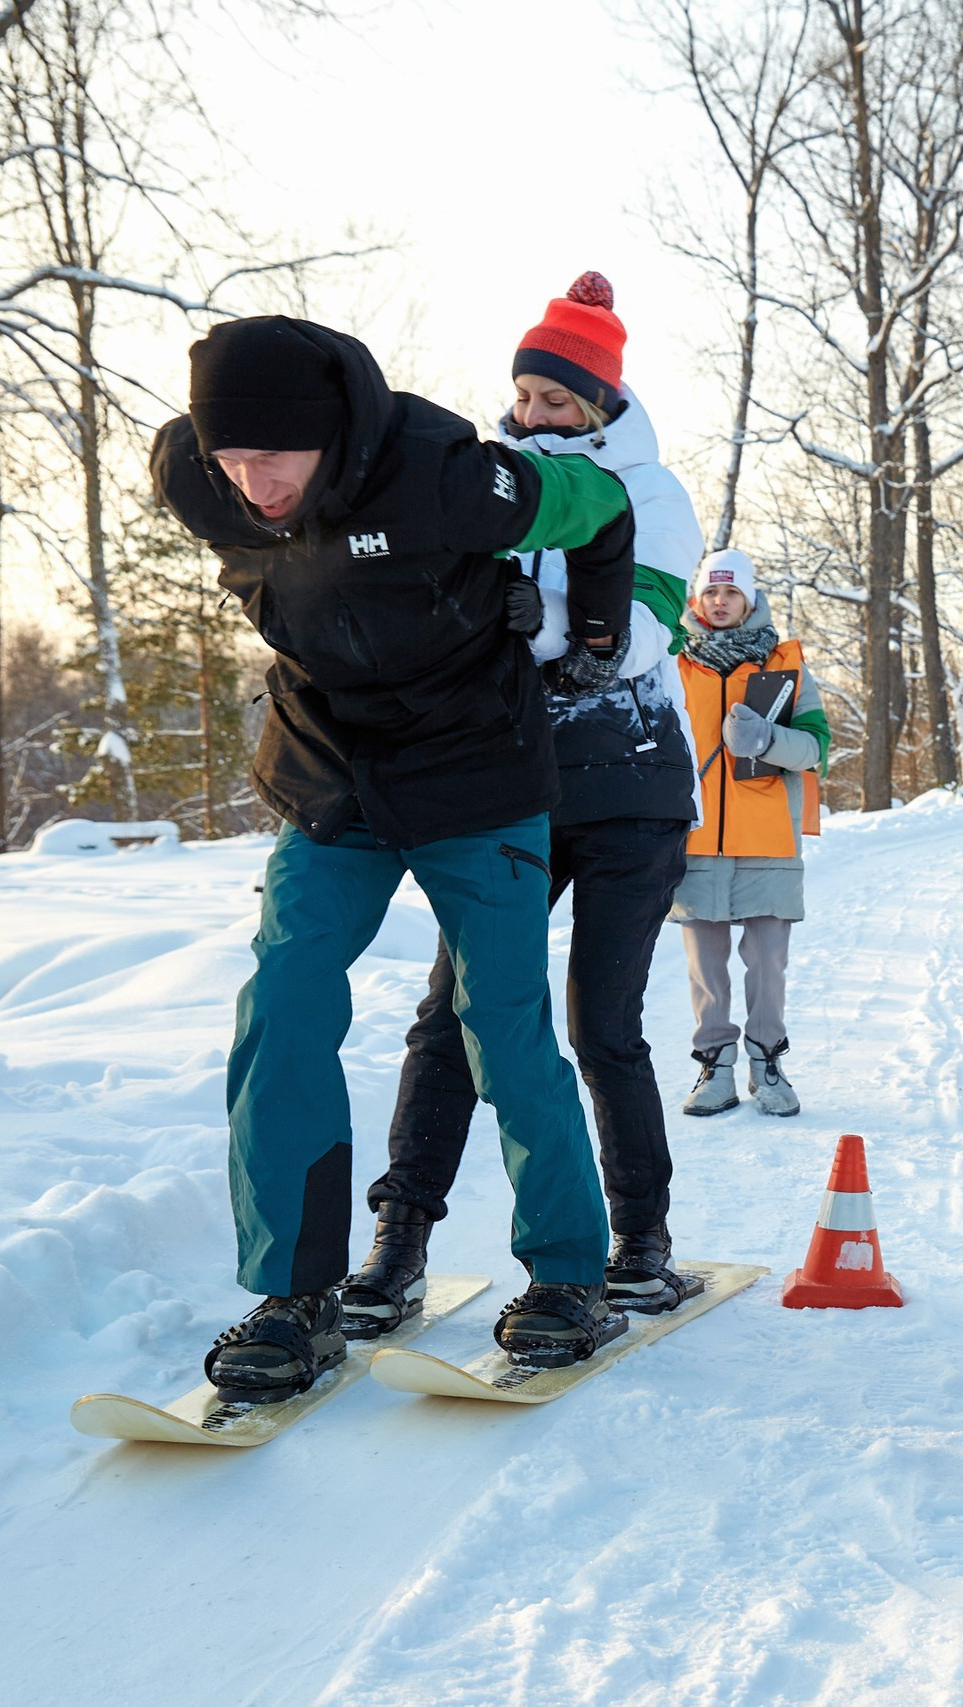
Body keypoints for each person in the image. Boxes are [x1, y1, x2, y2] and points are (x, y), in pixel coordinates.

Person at [153, 314, 643, 1389]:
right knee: (280, 1001)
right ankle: (295, 1295)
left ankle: (568, 1276)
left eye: (272, 458)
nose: (252, 484)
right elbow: (233, 485)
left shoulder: (445, 476)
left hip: (475, 771)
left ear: (329, 434)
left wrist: (591, 632)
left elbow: (603, 508)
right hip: (333, 769)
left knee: (500, 1021)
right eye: (229, 459)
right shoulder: (195, 478)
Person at [344, 272, 715, 1333]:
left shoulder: (654, 497)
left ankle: (639, 1239)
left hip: (634, 787)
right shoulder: (493, 488)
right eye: (525, 395)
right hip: (513, 788)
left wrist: (540, 614)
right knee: (451, 1017)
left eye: (558, 400)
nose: (536, 414)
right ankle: (398, 1241)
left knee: (601, 1026)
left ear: (599, 403)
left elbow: (640, 638)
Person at [673, 548, 828, 1118]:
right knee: (706, 970)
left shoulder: (784, 665)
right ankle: (716, 1068)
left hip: (768, 837)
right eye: (711, 592)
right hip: (694, 837)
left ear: (750, 599)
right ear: (697, 598)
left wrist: (767, 741)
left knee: (767, 964)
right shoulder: (672, 662)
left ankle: (768, 1064)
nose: (719, 602)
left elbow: (816, 748)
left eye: (731, 592)